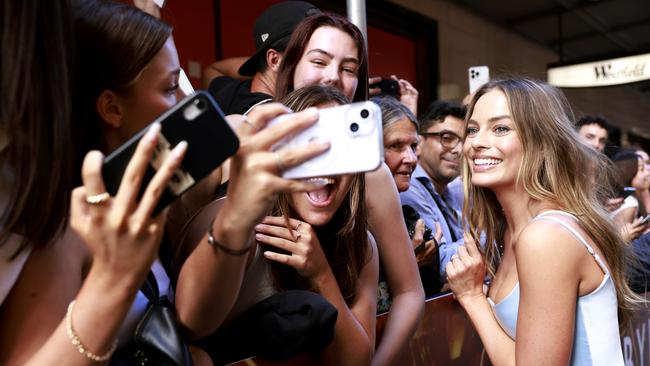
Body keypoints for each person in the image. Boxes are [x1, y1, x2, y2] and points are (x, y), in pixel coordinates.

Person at [0, 0, 187, 364]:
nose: (181, 101)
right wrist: (113, 280)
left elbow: (193, 321)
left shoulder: (137, 199)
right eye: (169, 88)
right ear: (111, 107)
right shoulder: (62, 228)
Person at [174, 86, 377, 365]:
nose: (324, 166)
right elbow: (189, 324)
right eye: (308, 146)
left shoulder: (359, 243)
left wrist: (321, 276)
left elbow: (357, 361)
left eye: (338, 149)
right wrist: (236, 223)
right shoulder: (232, 220)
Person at [448, 78, 639, 365]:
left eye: (500, 129)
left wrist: (473, 297)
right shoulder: (512, 232)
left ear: (541, 142)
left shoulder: (546, 236)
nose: (476, 143)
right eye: (472, 130)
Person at [274, 13, 424, 365]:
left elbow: (409, 292)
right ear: (289, 65)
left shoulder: (371, 173)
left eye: (349, 68)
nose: (332, 77)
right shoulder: (250, 142)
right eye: (319, 61)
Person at [371, 96, 442, 299]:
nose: (411, 159)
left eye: (413, 146)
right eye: (396, 146)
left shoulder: (409, 218)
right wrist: (406, 265)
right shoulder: (345, 222)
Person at [204, 1, 320, 115]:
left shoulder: (229, 90)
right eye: (319, 61)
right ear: (274, 59)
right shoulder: (278, 118)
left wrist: (271, 64)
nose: (331, 75)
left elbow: (213, 69)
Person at [401, 100, 466, 282]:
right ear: (419, 143)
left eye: (463, 141)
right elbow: (442, 264)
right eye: (447, 138)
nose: (458, 149)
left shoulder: (450, 190)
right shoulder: (408, 186)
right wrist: (497, 233)